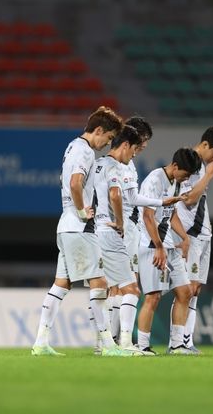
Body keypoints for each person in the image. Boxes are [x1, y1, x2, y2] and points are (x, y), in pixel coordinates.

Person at [31, 106, 126, 357]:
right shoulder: (85, 151)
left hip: (66, 226)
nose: (107, 144)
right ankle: (108, 345)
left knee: (61, 284)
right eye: (107, 138)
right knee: (100, 283)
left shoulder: (72, 146)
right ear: (98, 130)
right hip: (80, 225)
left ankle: (40, 342)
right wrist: (83, 209)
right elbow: (75, 183)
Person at [107, 116, 183, 344]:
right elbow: (121, 197)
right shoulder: (123, 164)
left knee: (115, 287)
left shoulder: (117, 162)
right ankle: (119, 341)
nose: (145, 145)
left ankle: (110, 340)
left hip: (117, 229)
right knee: (124, 287)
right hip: (123, 230)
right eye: (144, 140)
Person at [136, 148, 202, 355]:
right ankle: (142, 346)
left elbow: (170, 213)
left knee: (185, 292)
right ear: (175, 166)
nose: (187, 178)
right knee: (153, 296)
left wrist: (184, 237)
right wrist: (158, 247)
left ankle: (176, 345)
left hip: (167, 244)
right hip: (150, 245)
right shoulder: (154, 181)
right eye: (186, 174)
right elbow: (148, 216)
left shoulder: (174, 182)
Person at [172, 126, 213, 353]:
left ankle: (187, 340)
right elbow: (188, 200)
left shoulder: (203, 166)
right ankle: (177, 341)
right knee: (187, 289)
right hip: (190, 235)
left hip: (203, 233)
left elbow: (199, 201)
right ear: (205, 144)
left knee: (195, 289)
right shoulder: (190, 163)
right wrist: (208, 175)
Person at [93, 125, 145, 354]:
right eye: (135, 148)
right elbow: (117, 195)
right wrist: (121, 223)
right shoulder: (117, 166)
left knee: (106, 288)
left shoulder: (96, 164)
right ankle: (124, 343)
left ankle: (104, 342)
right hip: (114, 231)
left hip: (94, 231)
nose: (135, 153)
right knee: (130, 288)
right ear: (126, 144)